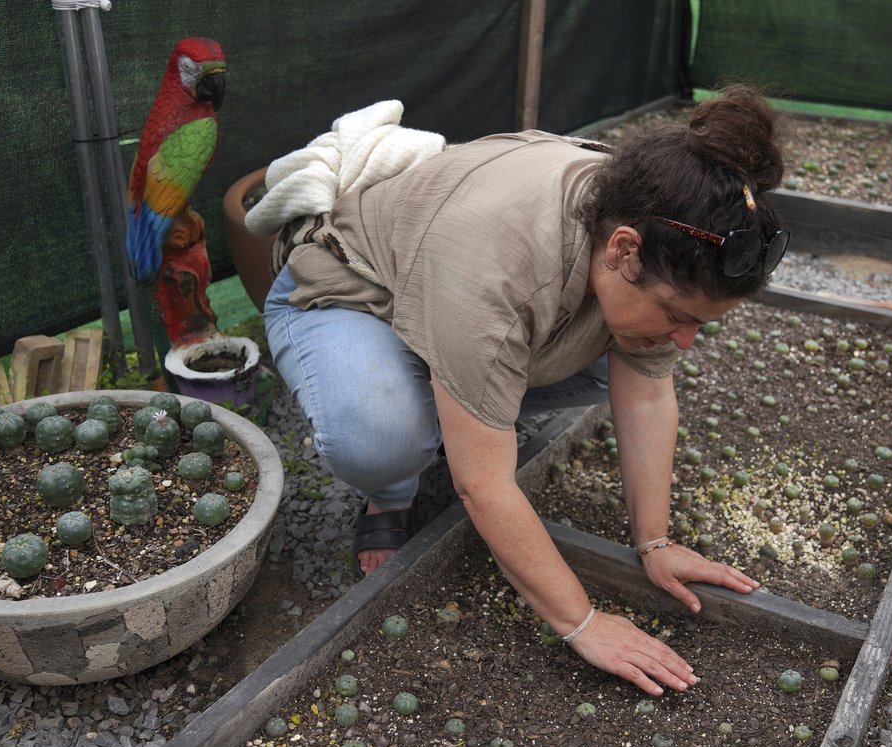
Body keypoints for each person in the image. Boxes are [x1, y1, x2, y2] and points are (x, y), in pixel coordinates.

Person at [262, 85, 789, 695]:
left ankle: (460, 406)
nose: (688, 340)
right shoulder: (495, 262)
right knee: (380, 436)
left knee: (630, 356)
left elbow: (645, 394)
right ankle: (393, 488)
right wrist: (583, 621)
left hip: (466, 312)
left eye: (701, 321)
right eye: (679, 313)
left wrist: (655, 542)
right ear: (623, 249)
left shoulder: (663, 216)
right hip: (355, 293)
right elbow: (482, 486)